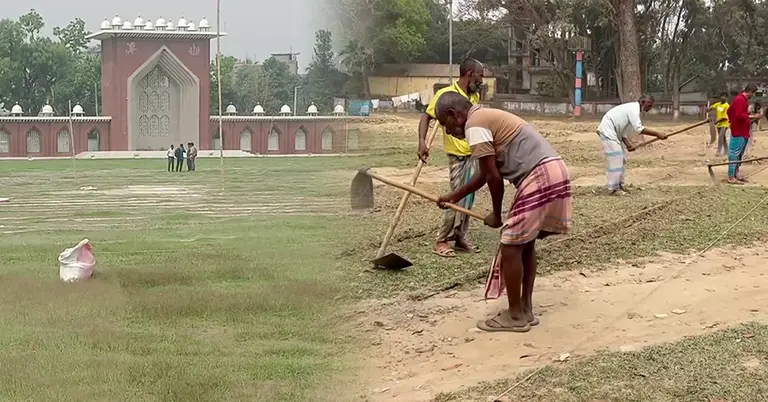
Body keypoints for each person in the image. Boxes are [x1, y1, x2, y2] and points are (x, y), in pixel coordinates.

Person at [434, 92, 572, 332]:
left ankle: (515, 316)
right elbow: (485, 172)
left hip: (538, 175)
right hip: (553, 169)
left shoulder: (474, 125)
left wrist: (497, 215)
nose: (449, 133)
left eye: (446, 126)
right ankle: (525, 310)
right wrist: (454, 196)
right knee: (524, 244)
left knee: (510, 245)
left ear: (453, 115)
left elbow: (493, 178)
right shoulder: (484, 118)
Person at [417, 58, 485, 257]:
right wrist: (422, 141)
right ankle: (442, 240)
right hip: (457, 156)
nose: (482, 80)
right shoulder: (445, 95)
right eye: (480, 75)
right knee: (456, 197)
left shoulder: (474, 97)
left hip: (474, 153)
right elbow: (426, 117)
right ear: (470, 73)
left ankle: (460, 236)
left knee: (469, 198)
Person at [596, 94, 668, 196]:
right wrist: (658, 134)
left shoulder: (632, 109)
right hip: (607, 131)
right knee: (617, 159)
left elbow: (622, 129)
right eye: (649, 106)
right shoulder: (633, 109)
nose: (650, 109)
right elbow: (639, 128)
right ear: (642, 103)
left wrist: (628, 144)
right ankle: (614, 189)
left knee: (622, 159)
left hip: (614, 133)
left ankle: (619, 185)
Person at [726, 84, 762, 184]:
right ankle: (730, 176)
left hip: (743, 131)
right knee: (734, 154)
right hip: (738, 131)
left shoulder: (742, 100)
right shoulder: (740, 100)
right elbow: (738, 115)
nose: (753, 95)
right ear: (750, 91)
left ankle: (736, 174)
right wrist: (752, 116)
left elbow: (731, 111)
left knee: (739, 154)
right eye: (753, 93)